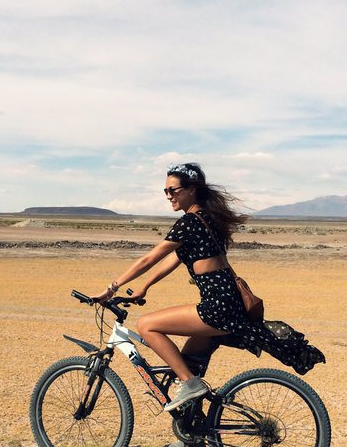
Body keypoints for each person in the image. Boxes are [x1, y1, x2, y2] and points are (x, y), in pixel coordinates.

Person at [93, 163, 323, 414]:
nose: (168, 195)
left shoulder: (189, 222)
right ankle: (193, 426)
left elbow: (149, 259)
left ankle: (190, 385)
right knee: (186, 363)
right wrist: (145, 286)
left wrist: (112, 287)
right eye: (165, 191)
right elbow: (174, 259)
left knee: (146, 325)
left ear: (191, 189)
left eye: (173, 190)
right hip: (231, 304)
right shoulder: (208, 220)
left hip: (217, 308)